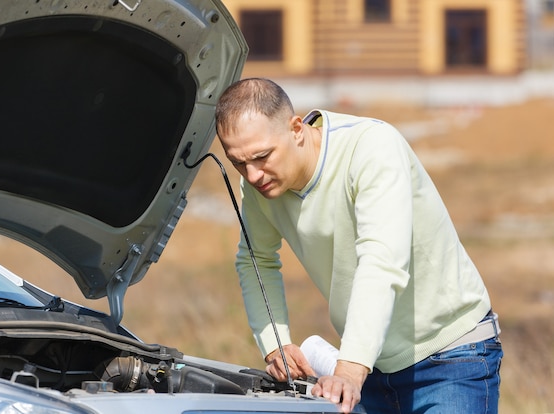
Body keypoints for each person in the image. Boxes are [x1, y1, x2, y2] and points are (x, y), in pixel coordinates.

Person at [214, 78, 503, 413]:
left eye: (262, 157)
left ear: (296, 129)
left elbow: (381, 260)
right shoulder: (257, 186)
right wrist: (274, 345)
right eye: (238, 163)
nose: (252, 176)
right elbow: (256, 260)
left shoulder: (372, 147)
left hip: (450, 358)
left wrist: (349, 370)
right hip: (372, 367)